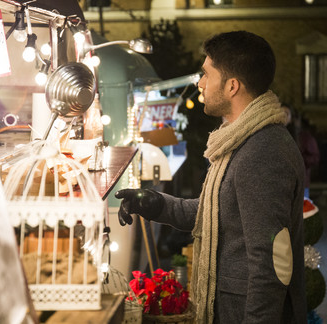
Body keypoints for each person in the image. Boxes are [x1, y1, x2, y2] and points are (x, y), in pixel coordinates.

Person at [116, 31, 307, 324]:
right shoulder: (237, 141)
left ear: (232, 86)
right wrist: (154, 204)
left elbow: (270, 264)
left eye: (206, 74)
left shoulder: (263, 151)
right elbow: (215, 215)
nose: (199, 83)